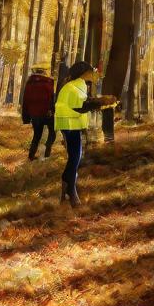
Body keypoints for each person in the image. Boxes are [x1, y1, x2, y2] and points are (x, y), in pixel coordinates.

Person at [53, 61, 117, 207]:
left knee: (75, 156)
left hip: (71, 122)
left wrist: (101, 102)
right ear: (83, 73)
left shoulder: (79, 84)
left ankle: (67, 191)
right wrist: (100, 102)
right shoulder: (73, 86)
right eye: (90, 71)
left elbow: (85, 102)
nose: (93, 74)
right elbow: (81, 106)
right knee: (75, 156)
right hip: (69, 123)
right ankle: (70, 190)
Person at [21, 63, 55, 160]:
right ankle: (47, 153)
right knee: (52, 133)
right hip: (47, 114)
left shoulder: (29, 83)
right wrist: (52, 110)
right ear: (44, 72)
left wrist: (26, 118)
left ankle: (31, 156)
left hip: (35, 115)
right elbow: (51, 99)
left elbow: (25, 100)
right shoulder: (49, 82)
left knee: (36, 136)